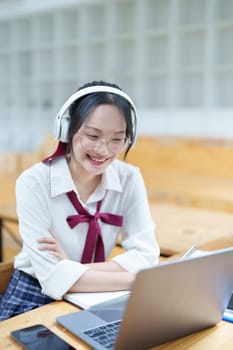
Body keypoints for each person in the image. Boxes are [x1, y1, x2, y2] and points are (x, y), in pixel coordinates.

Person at [0, 80, 160, 320]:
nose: (103, 150)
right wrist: (135, 279)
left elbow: (146, 257)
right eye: (93, 135)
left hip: (96, 293)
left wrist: (73, 269)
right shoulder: (33, 183)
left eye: (117, 139)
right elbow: (53, 278)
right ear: (66, 129)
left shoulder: (129, 178)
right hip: (34, 297)